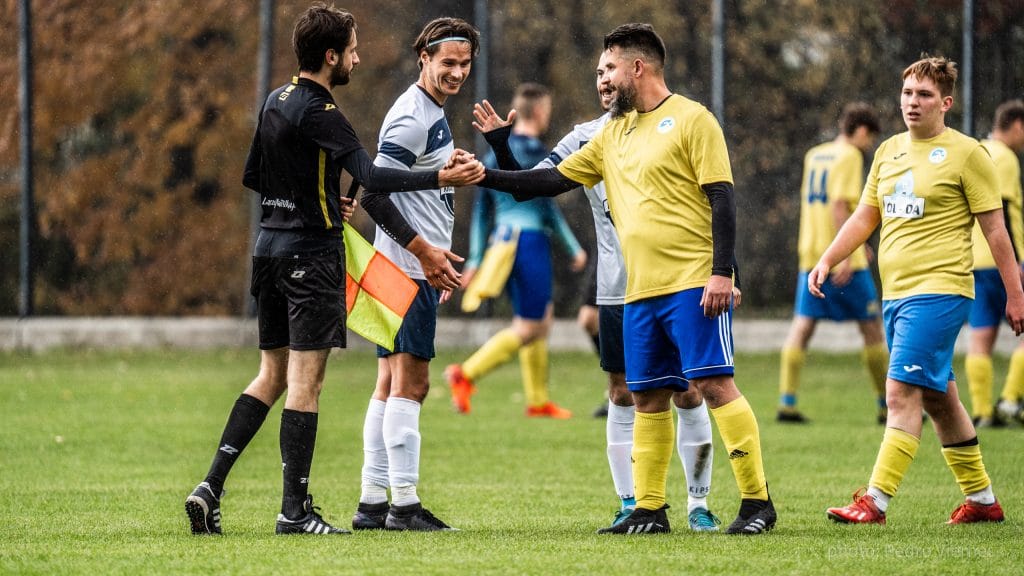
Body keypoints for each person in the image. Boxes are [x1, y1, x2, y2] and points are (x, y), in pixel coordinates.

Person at [184, 3, 483, 536]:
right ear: (330, 56)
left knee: (270, 375)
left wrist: (320, 199)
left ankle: (210, 484)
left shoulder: (275, 100)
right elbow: (371, 175)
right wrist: (439, 178)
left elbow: (257, 175)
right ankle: (294, 512)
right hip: (309, 257)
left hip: (268, 248)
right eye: (351, 49)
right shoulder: (325, 110)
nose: (357, 57)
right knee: (306, 384)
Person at [471, 23, 775, 535]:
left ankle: (756, 503)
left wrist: (723, 272)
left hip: (691, 282)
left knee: (711, 384)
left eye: (608, 69)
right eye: (597, 72)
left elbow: (721, 197)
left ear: (639, 67)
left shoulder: (693, 119)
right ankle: (649, 509)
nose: (602, 80)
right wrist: (486, 172)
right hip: (637, 292)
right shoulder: (611, 134)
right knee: (649, 395)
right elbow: (544, 182)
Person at [818, 56, 1022, 526]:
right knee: (938, 399)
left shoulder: (969, 153)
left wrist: (1016, 294)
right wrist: (831, 257)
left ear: (946, 103)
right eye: (908, 93)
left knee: (900, 393)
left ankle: (875, 502)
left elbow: (995, 231)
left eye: (924, 95)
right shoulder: (888, 151)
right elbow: (866, 215)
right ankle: (984, 501)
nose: (913, 102)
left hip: (941, 290)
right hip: (897, 295)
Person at [350, 16, 480, 533]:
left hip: (402, 267)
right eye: (447, 62)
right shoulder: (412, 115)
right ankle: (403, 506)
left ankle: (372, 501)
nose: (456, 72)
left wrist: (451, 169)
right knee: (412, 384)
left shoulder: (430, 111)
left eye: (464, 63)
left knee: (388, 383)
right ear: (423, 58)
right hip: (406, 269)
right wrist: (426, 253)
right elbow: (374, 192)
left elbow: (412, 182)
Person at [445, 83, 587, 419]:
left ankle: (538, 401)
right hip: (529, 242)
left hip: (502, 245)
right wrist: (572, 247)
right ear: (539, 112)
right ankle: (465, 373)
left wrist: (478, 257)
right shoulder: (538, 152)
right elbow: (547, 208)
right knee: (531, 327)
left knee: (540, 319)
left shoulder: (494, 154)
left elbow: (482, 210)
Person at [778, 103, 888, 424]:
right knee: (871, 328)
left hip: (810, 253)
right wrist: (846, 254)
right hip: (842, 260)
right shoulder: (850, 156)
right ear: (863, 131)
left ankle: (787, 402)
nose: (868, 147)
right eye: (870, 139)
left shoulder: (815, 154)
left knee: (802, 326)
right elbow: (840, 206)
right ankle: (886, 404)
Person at [963, 100, 1024, 427]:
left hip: (973, 259)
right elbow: (1002, 213)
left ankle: (984, 411)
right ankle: (1012, 398)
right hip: (1003, 259)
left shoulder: (974, 151)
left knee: (980, 336)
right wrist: (1016, 264)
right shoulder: (1006, 158)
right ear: (1017, 126)